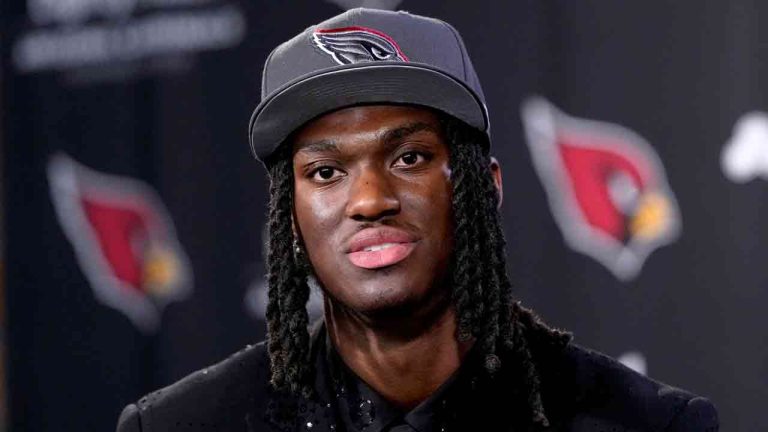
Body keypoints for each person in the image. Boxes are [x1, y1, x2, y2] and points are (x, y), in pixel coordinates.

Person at [117, 8, 718, 432]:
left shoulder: (645, 423)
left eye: (410, 158)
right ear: (289, 217)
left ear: (485, 187)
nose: (370, 199)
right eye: (326, 173)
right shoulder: (181, 424)